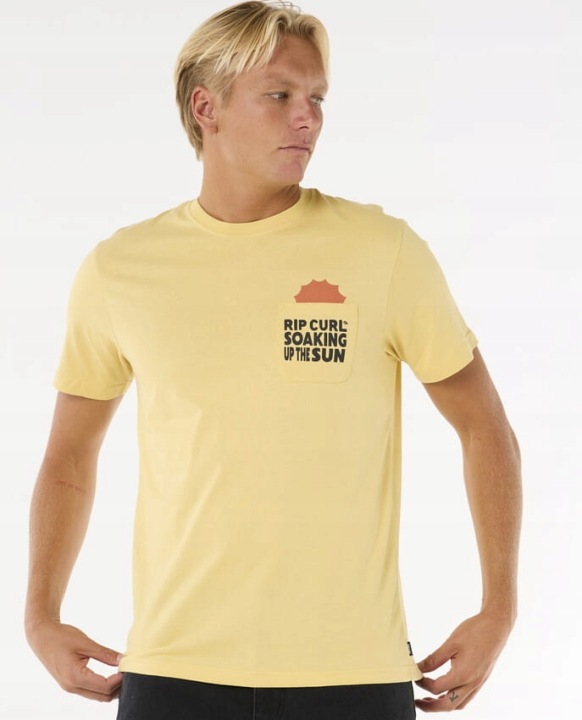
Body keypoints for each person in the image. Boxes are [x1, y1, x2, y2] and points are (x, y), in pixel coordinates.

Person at [24, 2, 522, 718]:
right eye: (280, 95)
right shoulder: (119, 269)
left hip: (352, 674)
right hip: (174, 671)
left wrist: (499, 607)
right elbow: (69, 456)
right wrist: (40, 614)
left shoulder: (383, 252)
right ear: (207, 108)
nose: (307, 118)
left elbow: (484, 427)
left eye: (317, 98)